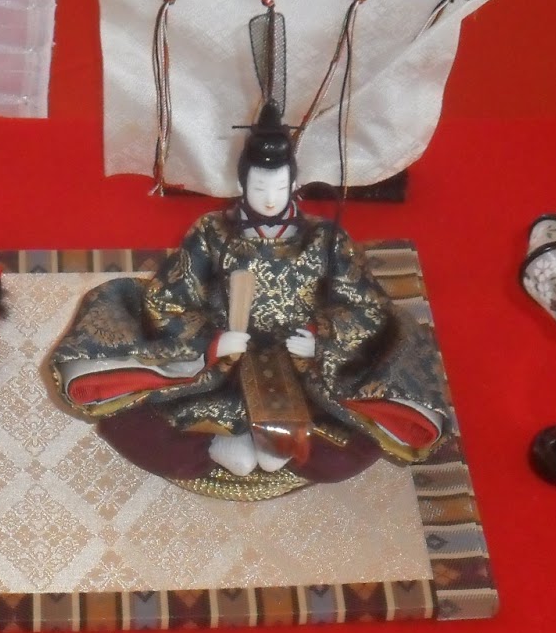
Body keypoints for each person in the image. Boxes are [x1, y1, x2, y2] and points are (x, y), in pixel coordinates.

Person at [45, 102, 449, 491]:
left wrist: (321, 337)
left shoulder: (325, 238)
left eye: (279, 186)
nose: (270, 197)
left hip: (305, 364)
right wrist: (212, 341)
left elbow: (366, 306)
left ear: (295, 185)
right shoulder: (212, 232)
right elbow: (169, 298)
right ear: (241, 185)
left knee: (349, 450)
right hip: (224, 361)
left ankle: (278, 446)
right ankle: (226, 443)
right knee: (139, 426)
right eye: (259, 186)